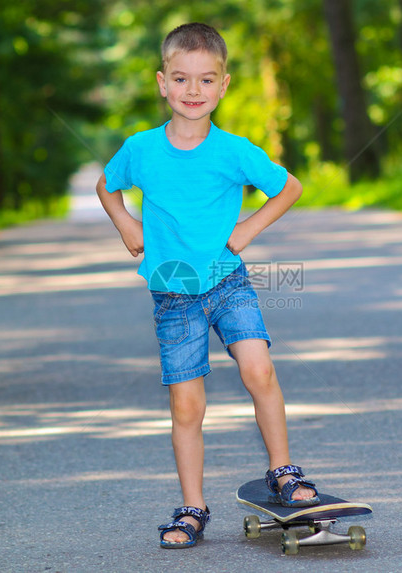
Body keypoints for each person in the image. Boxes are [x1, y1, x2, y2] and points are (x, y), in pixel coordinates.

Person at [96, 22, 319, 549]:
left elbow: (289, 187)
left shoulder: (234, 151)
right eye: (181, 79)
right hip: (172, 295)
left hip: (228, 283)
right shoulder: (142, 149)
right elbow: (107, 185)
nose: (193, 91)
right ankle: (192, 508)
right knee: (186, 406)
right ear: (162, 83)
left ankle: (284, 471)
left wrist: (247, 228)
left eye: (205, 80)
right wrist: (127, 224)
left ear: (223, 86)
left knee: (258, 368)